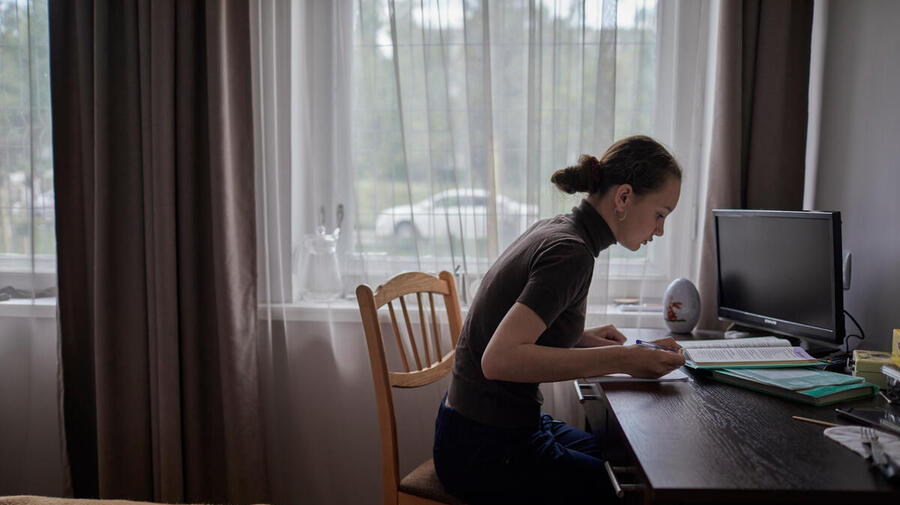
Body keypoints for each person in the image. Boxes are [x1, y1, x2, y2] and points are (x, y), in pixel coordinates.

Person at [433, 135, 687, 504]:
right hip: (482, 448)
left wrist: (580, 337)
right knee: (628, 490)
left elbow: (521, 328)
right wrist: (625, 360)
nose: (660, 230)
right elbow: (498, 358)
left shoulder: (559, 229)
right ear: (624, 197)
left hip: (478, 429)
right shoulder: (571, 252)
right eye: (660, 214)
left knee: (623, 465)